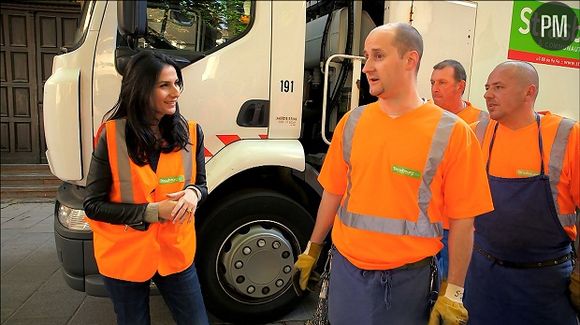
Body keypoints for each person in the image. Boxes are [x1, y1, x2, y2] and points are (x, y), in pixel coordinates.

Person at [293, 22, 493, 325]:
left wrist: (453, 291)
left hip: (407, 281)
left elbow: (465, 220)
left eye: (378, 56)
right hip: (346, 271)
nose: (367, 67)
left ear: (409, 60)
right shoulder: (353, 122)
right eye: (366, 57)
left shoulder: (452, 133)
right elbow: (333, 192)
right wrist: (313, 248)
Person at [83, 51, 209, 325]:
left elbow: (201, 185)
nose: (175, 92)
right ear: (140, 89)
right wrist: (151, 212)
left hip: (175, 253)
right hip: (125, 257)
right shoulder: (112, 135)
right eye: (165, 85)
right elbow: (92, 205)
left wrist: (193, 194)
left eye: (177, 83)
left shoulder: (191, 132)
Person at [464, 60, 579, 324]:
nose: (487, 94)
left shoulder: (566, 136)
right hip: (484, 280)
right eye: (487, 87)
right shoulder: (475, 135)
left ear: (529, 92)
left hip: (545, 284)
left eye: (498, 87)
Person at [430, 59, 490, 281]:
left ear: (460, 86)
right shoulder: (425, 118)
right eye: (433, 82)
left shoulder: (483, 122)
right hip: (427, 222)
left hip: (460, 226)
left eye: (442, 82)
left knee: (454, 288)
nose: (435, 88)